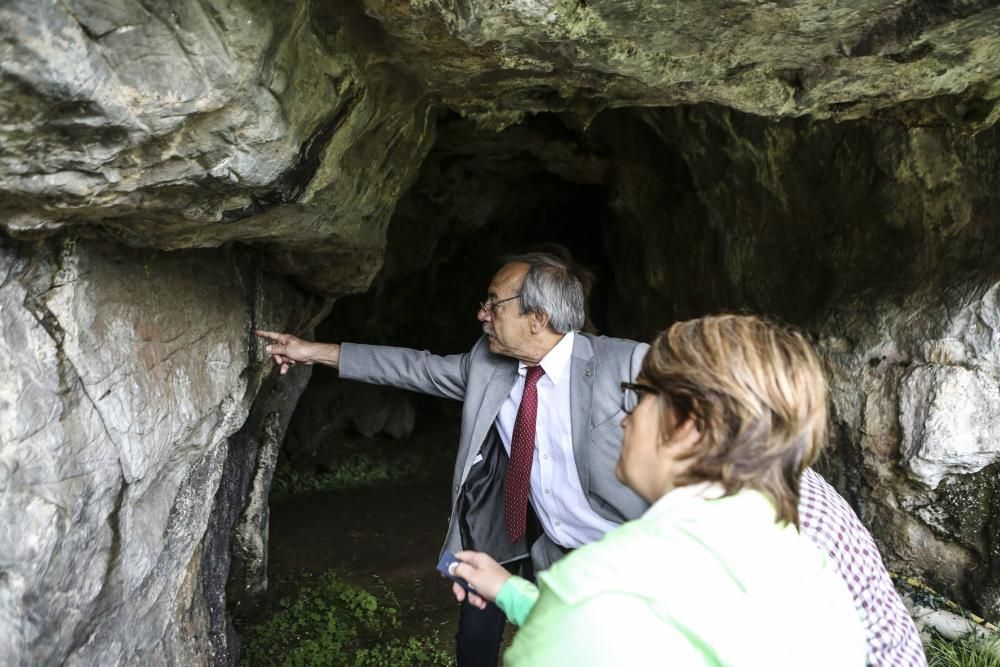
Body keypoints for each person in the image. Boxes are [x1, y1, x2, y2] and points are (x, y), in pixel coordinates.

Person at [257, 251, 649, 667]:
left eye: (494, 303)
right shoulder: (488, 365)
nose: (482, 314)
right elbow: (412, 368)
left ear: (537, 318)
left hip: (635, 556)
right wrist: (311, 351)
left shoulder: (625, 364)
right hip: (555, 556)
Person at [450, 315, 868, 666]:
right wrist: (511, 590)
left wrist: (561, 606)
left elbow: (598, 618)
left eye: (638, 395)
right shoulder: (814, 573)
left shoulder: (596, 586)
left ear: (687, 425)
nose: (625, 419)